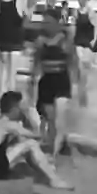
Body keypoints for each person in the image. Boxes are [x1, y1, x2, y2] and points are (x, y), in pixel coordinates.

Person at [0, 91, 73, 189]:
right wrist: (29, 117)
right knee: (30, 144)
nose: (22, 111)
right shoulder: (10, 125)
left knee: (21, 143)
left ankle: (43, 169)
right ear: (14, 109)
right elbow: (37, 136)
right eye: (21, 108)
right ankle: (54, 179)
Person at [29, 12, 79, 159]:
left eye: (48, 22)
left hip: (62, 81)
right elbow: (36, 63)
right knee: (49, 119)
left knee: (59, 119)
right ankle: (56, 145)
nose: (45, 25)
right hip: (47, 81)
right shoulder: (40, 41)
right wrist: (32, 81)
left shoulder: (65, 41)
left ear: (57, 23)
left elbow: (74, 62)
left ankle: (54, 153)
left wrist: (78, 86)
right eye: (44, 22)